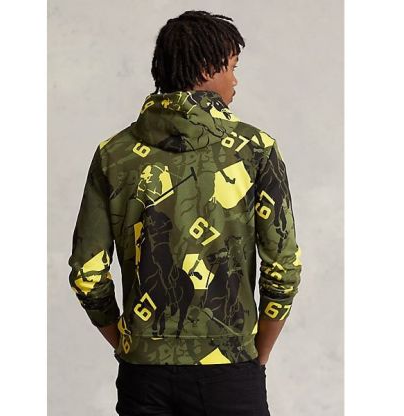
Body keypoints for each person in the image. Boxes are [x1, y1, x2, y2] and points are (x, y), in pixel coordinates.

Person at [68, 9, 302, 416]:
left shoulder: (113, 154)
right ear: (207, 68)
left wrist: (131, 344)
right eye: (232, 67)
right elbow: (283, 268)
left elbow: (87, 274)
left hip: (144, 376)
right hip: (231, 372)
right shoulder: (256, 149)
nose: (235, 80)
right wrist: (256, 356)